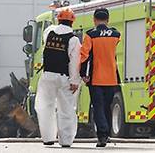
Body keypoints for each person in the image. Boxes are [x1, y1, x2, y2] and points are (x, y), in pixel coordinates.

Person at [34, 8, 82, 147]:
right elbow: (74, 63)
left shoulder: (49, 32)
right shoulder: (73, 40)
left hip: (47, 76)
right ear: (72, 22)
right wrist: (74, 81)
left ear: (58, 20)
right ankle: (66, 141)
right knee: (66, 109)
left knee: (45, 107)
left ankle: (48, 138)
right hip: (64, 78)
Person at [80, 8, 120, 148]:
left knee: (98, 107)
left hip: (96, 78)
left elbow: (84, 56)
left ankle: (102, 136)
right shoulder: (116, 34)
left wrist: (83, 74)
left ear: (94, 20)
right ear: (108, 20)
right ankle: (107, 133)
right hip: (111, 78)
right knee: (107, 107)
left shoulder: (90, 35)